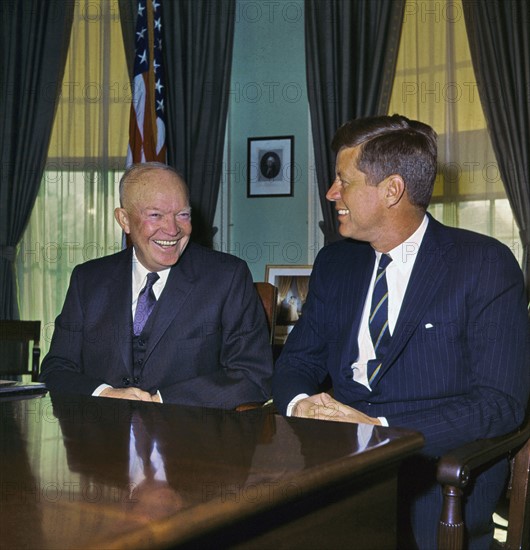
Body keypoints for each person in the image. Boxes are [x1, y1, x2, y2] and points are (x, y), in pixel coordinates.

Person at [272, 115, 530, 548]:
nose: (332, 193)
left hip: (438, 477)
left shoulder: (484, 264)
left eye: (343, 180)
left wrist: (382, 428)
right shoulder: (335, 265)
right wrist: (302, 406)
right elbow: (296, 361)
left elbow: (500, 404)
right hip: (334, 468)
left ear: (392, 190)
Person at [41, 162, 273, 409]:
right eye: (155, 215)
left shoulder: (227, 277)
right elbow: (57, 369)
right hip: (102, 437)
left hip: (190, 439)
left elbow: (252, 375)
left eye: (182, 214)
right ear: (124, 220)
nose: (172, 229)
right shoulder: (87, 279)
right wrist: (104, 393)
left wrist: (162, 401)